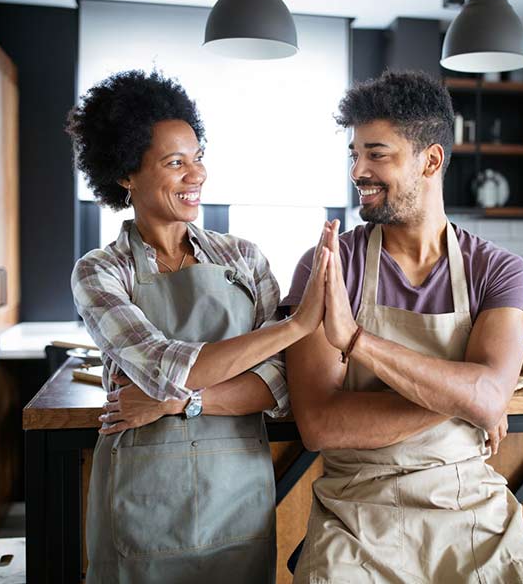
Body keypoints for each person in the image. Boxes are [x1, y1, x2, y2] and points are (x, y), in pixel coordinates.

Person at [282, 71, 523, 583]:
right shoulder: (328, 266)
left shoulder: (498, 270)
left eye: (377, 154)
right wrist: (463, 397)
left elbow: (490, 398)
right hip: (356, 514)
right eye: (354, 155)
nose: (357, 170)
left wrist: (356, 340)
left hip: (471, 508)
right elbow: (321, 425)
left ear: (431, 160)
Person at [67, 70, 329, 583]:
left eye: (198, 156)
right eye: (175, 162)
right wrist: (295, 325)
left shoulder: (245, 258)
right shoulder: (100, 271)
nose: (197, 175)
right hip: (141, 503)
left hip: (236, 501)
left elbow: (280, 383)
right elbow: (164, 366)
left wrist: (180, 403)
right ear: (126, 174)